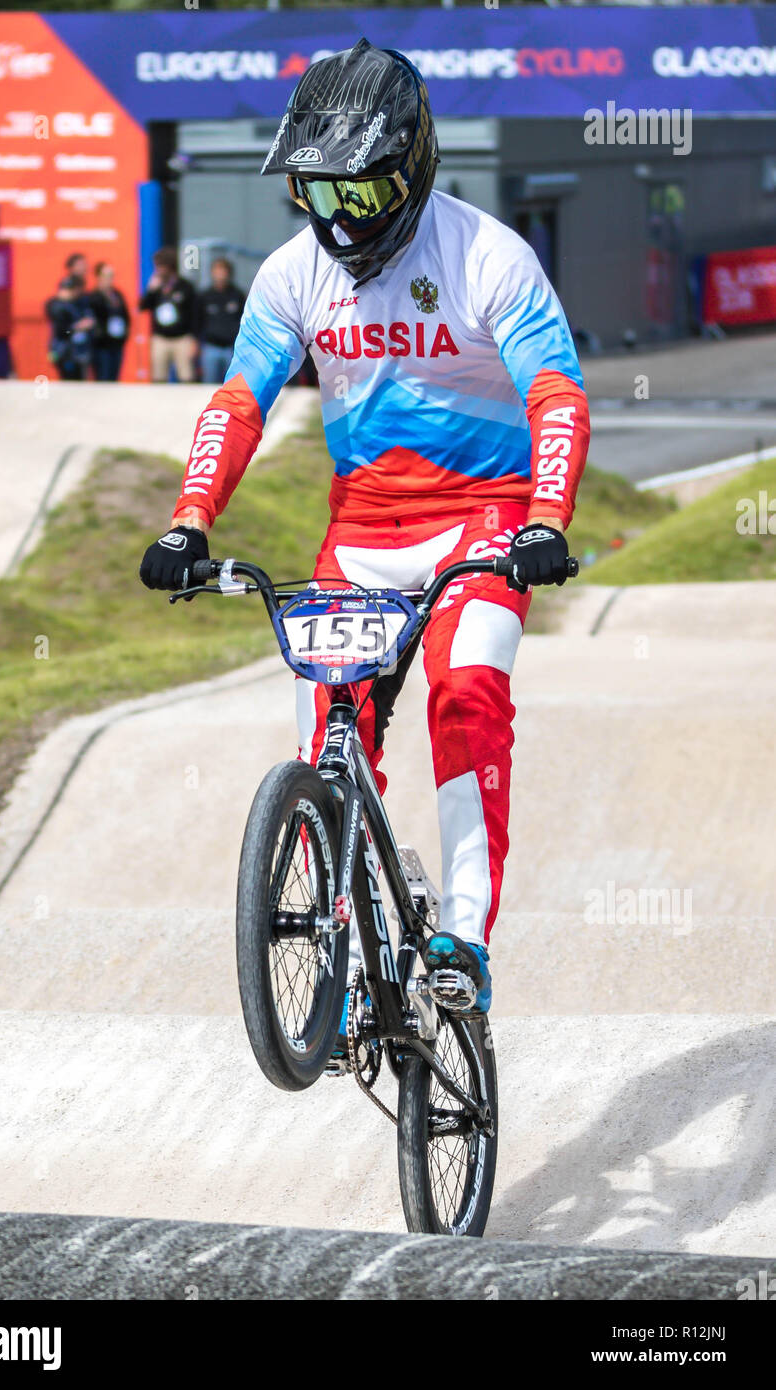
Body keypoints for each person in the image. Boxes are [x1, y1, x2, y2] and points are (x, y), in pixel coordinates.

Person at [140, 39, 590, 1033]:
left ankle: (462, 939)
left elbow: (554, 394)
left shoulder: (486, 256)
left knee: (465, 699)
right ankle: (341, 931)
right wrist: (188, 518)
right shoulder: (293, 273)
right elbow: (239, 400)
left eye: (359, 193)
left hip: (482, 521)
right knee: (322, 729)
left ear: (413, 164)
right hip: (360, 532)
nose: (337, 218)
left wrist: (547, 521)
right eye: (316, 195)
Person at [139, 247, 198, 382]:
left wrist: (194, 339)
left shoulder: (185, 287)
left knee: (187, 377)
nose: (157, 270)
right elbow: (143, 306)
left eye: (160, 266)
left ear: (170, 266)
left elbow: (194, 314)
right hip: (160, 338)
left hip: (182, 338)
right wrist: (151, 290)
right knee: (158, 377)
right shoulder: (156, 287)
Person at [195, 256, 246, 383]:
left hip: (232, 348)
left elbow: (244, 320)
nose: (221, 276)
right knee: (209, 383)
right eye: (218, 272)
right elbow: (197, 321)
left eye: (224, 272)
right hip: (211, 347)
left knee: (233, 383)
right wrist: (196, 341)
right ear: (212, 273)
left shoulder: (237, 295)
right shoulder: (205, 296)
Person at [44, 274, 95, 380]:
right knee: (69, 381)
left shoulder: (76, 304)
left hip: (76, 352)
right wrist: (77, 327)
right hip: (64, 353)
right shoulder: (57, 306)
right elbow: (63, 331)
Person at [88, 261, 131, 381]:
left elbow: (125, 315)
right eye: (107, 276)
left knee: (114, 375)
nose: (110, 279)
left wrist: (125, 332)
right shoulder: (94, 296)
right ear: (99, 277)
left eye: (112, 276)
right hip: (101, 343)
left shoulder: (117, 294)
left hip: (116, 342)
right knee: (103, 375)